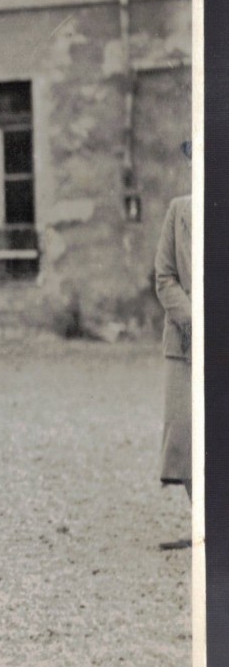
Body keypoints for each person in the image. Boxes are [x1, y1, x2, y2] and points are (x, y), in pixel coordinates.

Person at [154, 145, 192, 547]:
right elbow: (164, 276)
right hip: (185, 343)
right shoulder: (179, 211)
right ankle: (203, 523)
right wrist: (194, 319)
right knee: (182, 433)